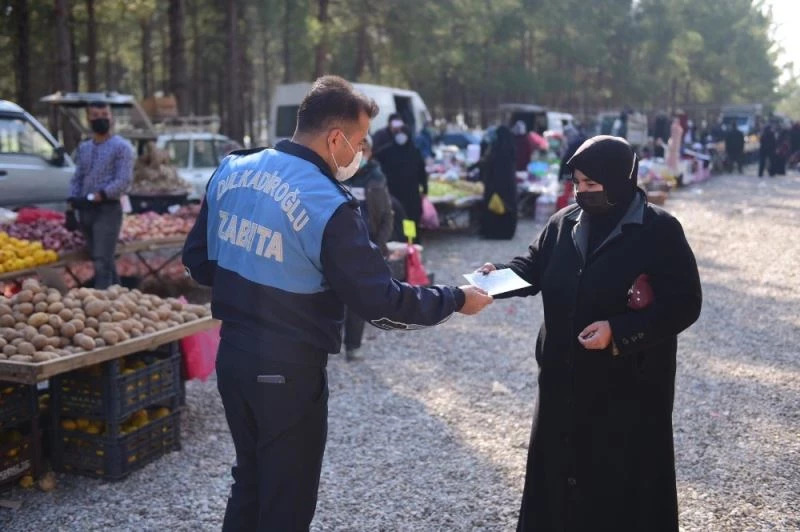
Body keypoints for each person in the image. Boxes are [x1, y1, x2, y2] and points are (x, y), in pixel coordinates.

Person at [182, 76, 493, 531]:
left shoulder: (233, 168)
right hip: (288, 368)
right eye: (361, 141)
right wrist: (454, 300)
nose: (363, 151)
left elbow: (197, 264)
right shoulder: (329, 202)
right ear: (335, 138)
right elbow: (381, 303)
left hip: (232, 357)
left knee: (249, 479)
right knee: (286, 497)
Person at [479, 136, 702, 532]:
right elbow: (532, 266)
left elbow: (684, 303)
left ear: (620, 179)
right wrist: (494, 279)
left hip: (628, 390)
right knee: (558, 487)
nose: (582, 192)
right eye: (578, 183)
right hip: (563, 382)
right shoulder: (564, 223)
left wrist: (618, 331)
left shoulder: (659, 231)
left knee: (618, 491)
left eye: (592, 184)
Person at [68, 101, 134, 289]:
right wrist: (71, 201)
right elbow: (78, 176)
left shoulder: (122, 147)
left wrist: (101, 195)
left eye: (104, 114)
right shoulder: (84, 148)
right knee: (101, 256)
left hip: (108, 209)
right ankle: (119, 296)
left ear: (111, 117)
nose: (100, 119)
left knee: (102, 260)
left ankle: (101, 301)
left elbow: (123, 180)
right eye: (95, 115)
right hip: (86, 210)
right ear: (88, 118)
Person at [342, 135, 395, 361]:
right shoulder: (339, 175)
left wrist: (378, 244)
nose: (360, 154)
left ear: (371, 152)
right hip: (339, 243)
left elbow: (386, 216)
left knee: (356, 298)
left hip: (366, 245)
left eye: (364, 150)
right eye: (357, 149)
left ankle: (352, 346)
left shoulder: (376, 178)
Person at [373, 115, 428, 231]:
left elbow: (421, 172)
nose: (400, 136)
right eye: (398, 134)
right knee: (396, 219)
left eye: (403, 133)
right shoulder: (387, 152)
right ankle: (400, 241)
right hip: (394, 192)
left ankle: (410, 242)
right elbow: (374, 161)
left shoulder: (415, 152)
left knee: (410, 219)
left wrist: (424, 188)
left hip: (411, 193)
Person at [470, 126, 518, 240]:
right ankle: (505, 232)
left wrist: (472, 167)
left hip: (495, 186)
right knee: (504, 208)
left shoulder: (496, 149)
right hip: (508, 188)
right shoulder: (510, 149)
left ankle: (493, 232)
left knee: (494, 208)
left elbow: (486, 162)